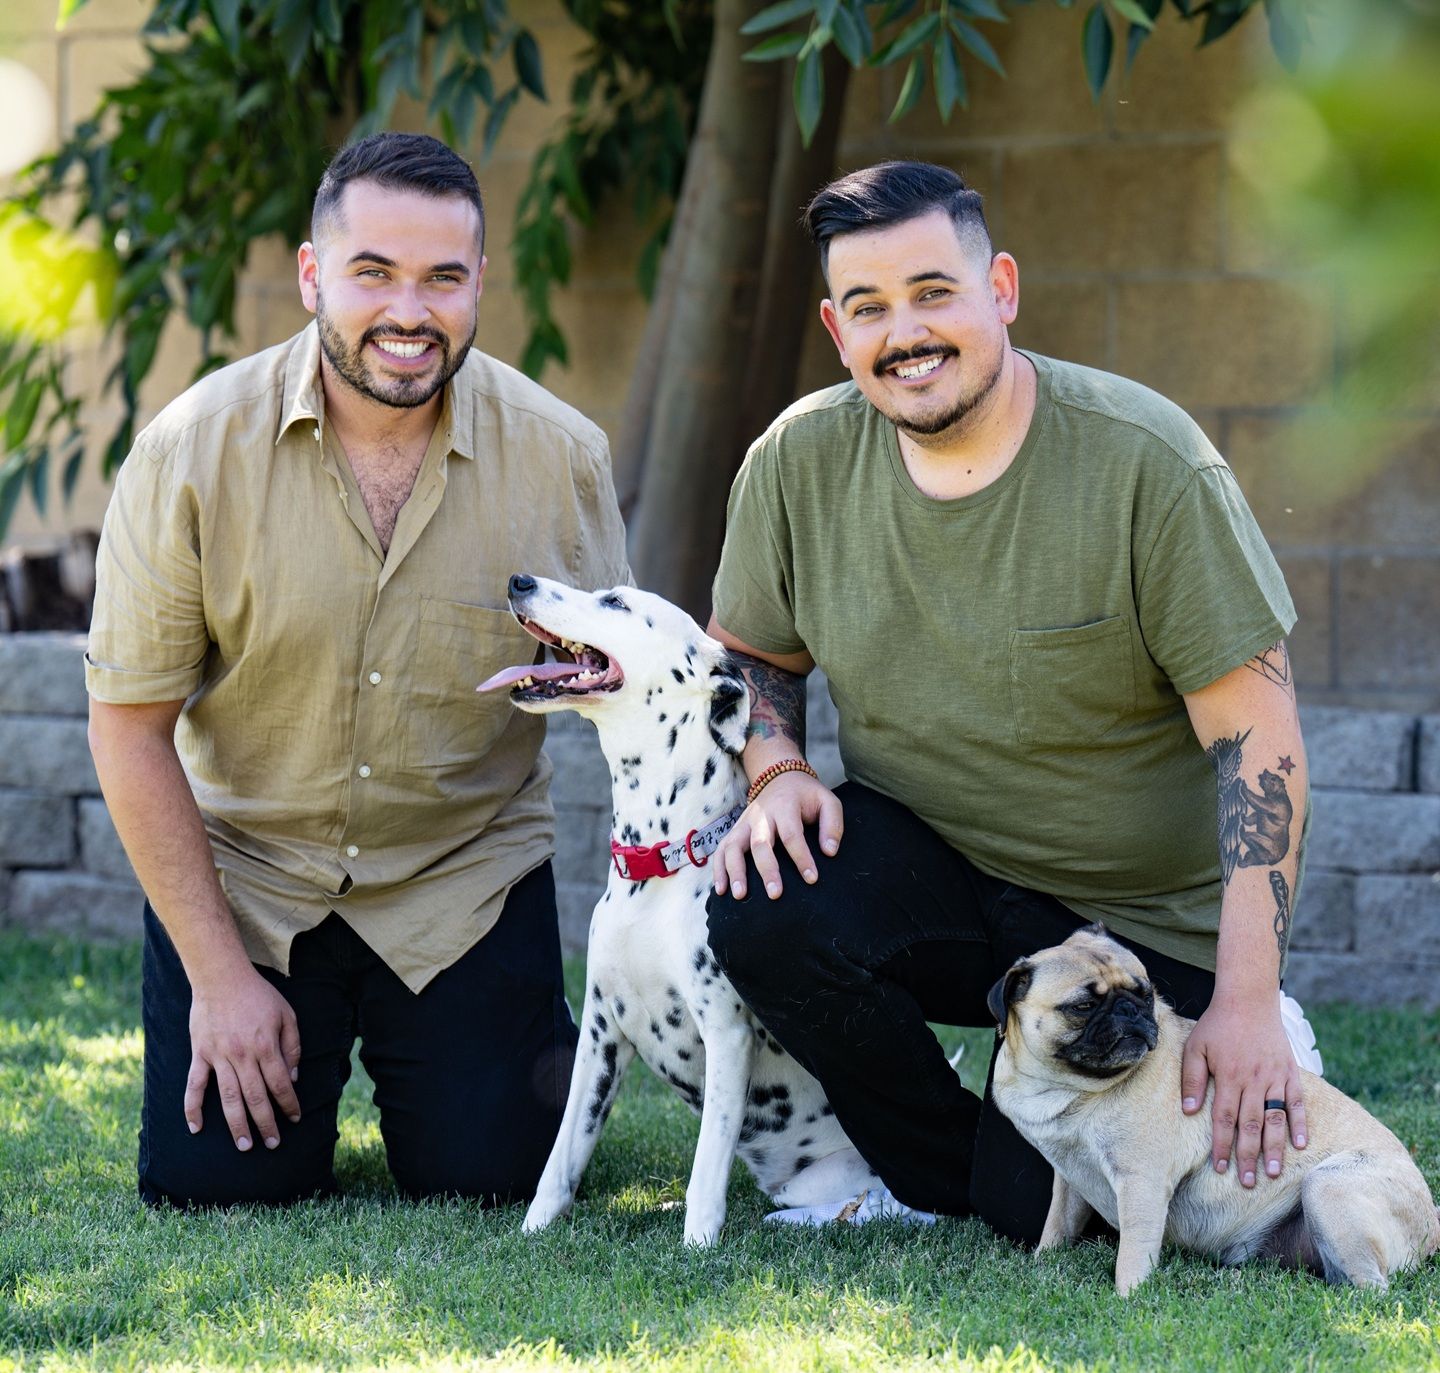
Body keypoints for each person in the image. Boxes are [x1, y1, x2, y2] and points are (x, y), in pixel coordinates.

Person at [704, 160, 1315, 1243]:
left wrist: (1248, 1000)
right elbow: (751, 655)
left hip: (1129, 922)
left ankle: (1109, 1104)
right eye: (870, 307)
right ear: (836, 328)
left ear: (1003, 288)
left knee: (1032, 1206)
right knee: (765, 906)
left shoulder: (1147, 459)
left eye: (934, 292)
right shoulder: (795, 460)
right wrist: (778, 768)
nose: (907, 333)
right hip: (936, 862)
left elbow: (1257, 740)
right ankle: (943, 1168)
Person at [86, 133, 628, 1208]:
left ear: (481, 284)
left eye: (442, 277)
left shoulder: (561, 455)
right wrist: (219, 977)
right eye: (372, 272)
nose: (408, 311)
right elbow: (128, 726)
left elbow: (624, 682)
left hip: (461, 876)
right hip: (255, 876)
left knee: (498, 1170)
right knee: (220, 1184)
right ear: (311, 275)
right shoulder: (187, 451)